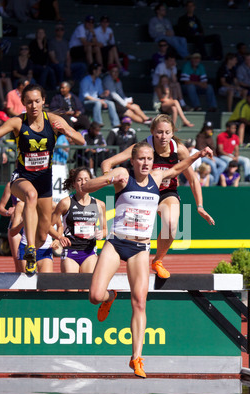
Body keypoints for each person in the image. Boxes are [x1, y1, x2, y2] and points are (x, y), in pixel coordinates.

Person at [83, 140, 213, 378]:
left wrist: (198, 155)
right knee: (94, 296)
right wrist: (108, 179)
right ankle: (109, 296)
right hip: (116, 242)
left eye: (149, 159)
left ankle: (137, 358)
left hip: (140, 247)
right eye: (141, 159)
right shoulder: (123, 175)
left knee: (139, 302)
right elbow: (88, 186)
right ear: (132, 161)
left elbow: (178, 168)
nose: (145, 162)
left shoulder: (157, 178)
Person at [0, 83, 86, 276]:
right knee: (30, 195)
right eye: (29, 102)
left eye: (37, 101)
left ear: (43, 101)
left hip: (44, 180)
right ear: (23, 103)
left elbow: (81, 140)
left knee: (43, 233)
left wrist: (66, 131)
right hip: (22, 178)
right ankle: (30, 250)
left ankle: (36, 247)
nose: (33, 105)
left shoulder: (53, 120)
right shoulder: (17, 122)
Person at [101, 114, 215, 279]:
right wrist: (109, 178)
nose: (163, 137)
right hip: (142, 193)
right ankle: (117, 260)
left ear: (172, 132)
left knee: (171, 224)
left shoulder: (179, 149)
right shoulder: (142, 148)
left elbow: (193, 180)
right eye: (159, 132)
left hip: (167, 193)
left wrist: (200, 206)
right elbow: (107, 163)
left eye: (167, 132)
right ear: (152, 132)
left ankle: (158, 261)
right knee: (130, 234)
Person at [51, 167, 107, 275]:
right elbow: (48, 225)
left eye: (86, 180)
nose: (83, 183)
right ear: (74, 184)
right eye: (79, 180)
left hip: (89, 252)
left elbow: (105, 230)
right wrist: (59, 237)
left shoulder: (100, 205)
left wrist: (101, 233)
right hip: (70, 252)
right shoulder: (65, 203)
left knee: (88, 289)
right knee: (72, 289)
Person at [79, 63, 120, 128]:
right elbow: (86, 96)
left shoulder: (98, 80)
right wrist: (99, 100)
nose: (100, 72)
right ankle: (98, 122)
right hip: (85, 102)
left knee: (111, 103)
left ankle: (115, 123)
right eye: (99, 70)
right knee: (98, 103)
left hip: (96, 100)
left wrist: (104, 93)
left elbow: (100, 94)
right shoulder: (85, 80)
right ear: (94, 71)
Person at [0, 182, 22, 272]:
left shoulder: (37, 180)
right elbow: (0, 207)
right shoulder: (11, 184)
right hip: (15, 225)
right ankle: (22, 286)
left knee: (32, 265)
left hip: (31, 225)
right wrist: (7, 212)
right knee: (19, 266)